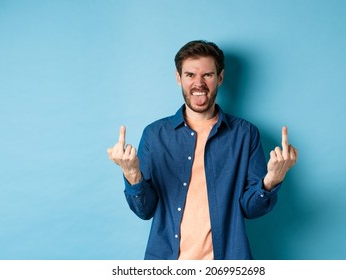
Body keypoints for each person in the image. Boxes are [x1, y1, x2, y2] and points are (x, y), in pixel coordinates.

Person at [107, 40, 298, 260]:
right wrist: (132, 175)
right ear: (179, 78)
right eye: (190, 75)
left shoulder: (246, 135)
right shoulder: (154, 135)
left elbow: (251, 209)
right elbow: (145, 211)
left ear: (220, 78)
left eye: (207, 75)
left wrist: (272, 179)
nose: (199, 83)